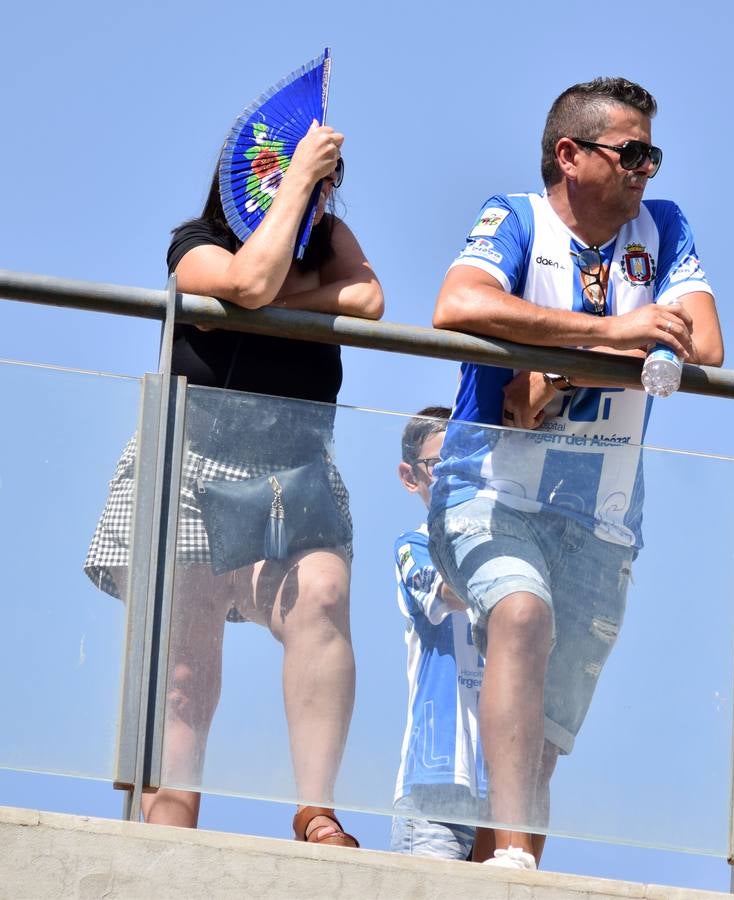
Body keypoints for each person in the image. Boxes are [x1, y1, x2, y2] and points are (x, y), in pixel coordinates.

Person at [427, 76, 724, 870]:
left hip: (605, 521)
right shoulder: (514, 216)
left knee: (542, 750)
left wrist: (562, 369)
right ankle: (514, 861)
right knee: (520, 617)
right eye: (633, 153)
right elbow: (456, 306)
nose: (647, 171)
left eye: (652, 155)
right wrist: (616, 332)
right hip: (491, 492)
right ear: (570, 153)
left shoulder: (664, 228)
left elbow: (705, 343)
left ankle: (497, 862)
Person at [84, 117, 383, 847]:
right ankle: (169, 827)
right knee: (184, 662)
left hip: (293, 465)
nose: (323, 196)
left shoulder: (330, 243)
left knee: (323, 593)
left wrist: (269, 306)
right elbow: (245, 278)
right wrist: (275, 272)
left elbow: (369, 300)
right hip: (191, 456)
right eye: (312, 177)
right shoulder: (196, 244)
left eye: (329, 182)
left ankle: (317, 812)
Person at [389, 406, 489, 860]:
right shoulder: (414, 545)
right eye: (438, 464)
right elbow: (447, 592)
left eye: (464, 461)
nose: (453, 475)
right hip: (433, 788)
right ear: (411, 478)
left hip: (497, 789)